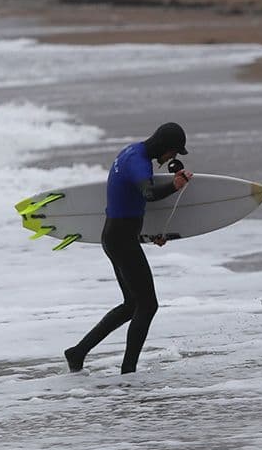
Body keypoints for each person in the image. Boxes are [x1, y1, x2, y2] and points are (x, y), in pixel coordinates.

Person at [64, 123, 193, 375]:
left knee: (132, 304)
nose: (173, 158)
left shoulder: (131, 152)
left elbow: (128, 203)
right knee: (148, 305)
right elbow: (147, 194)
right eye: (174, 152)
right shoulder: (138, 163)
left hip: (116, 236)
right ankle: (128, 371)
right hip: (121, 239)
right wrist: (174, 186)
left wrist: (148, 236)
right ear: (164, 147)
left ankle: (77, 352)